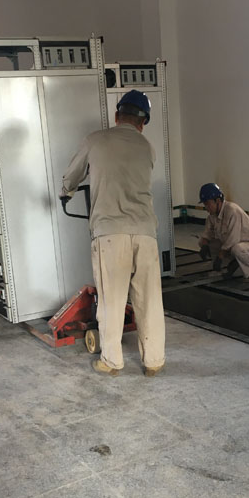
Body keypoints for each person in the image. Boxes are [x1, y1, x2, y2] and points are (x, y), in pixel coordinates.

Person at [61, 90, 165, 377]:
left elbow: (71, 176)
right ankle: (154, 361)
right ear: (143, 123)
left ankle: (111, 361)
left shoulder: (95, 140)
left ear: (117, 115)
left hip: (110, 234)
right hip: (145, 233)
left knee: (112, 299)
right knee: (149, 300)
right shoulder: (148, 148)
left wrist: (66, 191)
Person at [198, 183, 249, 280]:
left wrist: (220, 257)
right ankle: (225, 267)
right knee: (205, 243)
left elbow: (233, 239)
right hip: (232, 245)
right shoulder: (212, 216)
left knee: (237, 249)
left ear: (218, 200)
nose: (206, 207)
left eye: (208, 204)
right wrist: (204, 245)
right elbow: (207, 234)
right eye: (205, 204)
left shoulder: (232, 210)